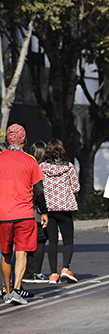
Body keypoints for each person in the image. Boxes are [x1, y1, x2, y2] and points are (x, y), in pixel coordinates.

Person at [0, 124, 48, 305]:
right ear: (24, 140)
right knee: (21, 252)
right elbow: (39, 190)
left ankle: (7, 289)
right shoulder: (30, 161)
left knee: (5, 253)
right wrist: (43, 212)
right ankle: (17, 289)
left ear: (7, 140)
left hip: (2, 214)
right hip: (25, 214)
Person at [40, 139, 81, 284]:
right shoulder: (68, 167)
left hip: (49, 209)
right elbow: (76, 188)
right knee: (68, 241)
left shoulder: (42, 167)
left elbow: (38, 188)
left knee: (52, 242)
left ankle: (53, 274)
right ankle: (65, 269)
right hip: (65, 208)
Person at [23, 141, 49, 283]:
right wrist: (44, 210)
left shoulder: (26, 165)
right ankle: (34, 272)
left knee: (24, 242)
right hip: (37, 209)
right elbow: (40, 191)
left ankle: (24, 271)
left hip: (23, 208)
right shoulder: (42, 169)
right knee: (40, 240)